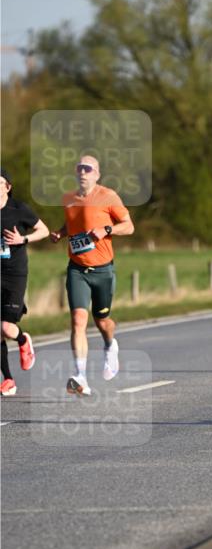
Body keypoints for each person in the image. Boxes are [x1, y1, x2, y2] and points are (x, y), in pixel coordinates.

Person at [50, 155, 134, 396]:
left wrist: (106, 229)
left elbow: (129, 225)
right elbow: (73, 225)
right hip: (77, 269)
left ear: (97, 174)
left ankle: (110, 345)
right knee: (78, 320)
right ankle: (81, 377)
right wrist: (60, 233)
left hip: (103, 270)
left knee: (103, 322)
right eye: (79, 168)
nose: (83, 172)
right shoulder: (68, 199)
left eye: (88, 169)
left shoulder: (108, 197)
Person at [1, 168, 50, 395]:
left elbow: (44, 230)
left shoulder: (18, 209)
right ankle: (8, 380)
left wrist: (23, 239)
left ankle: (22, 339)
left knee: (7, 328)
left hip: (14, 274)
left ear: (7, 187)